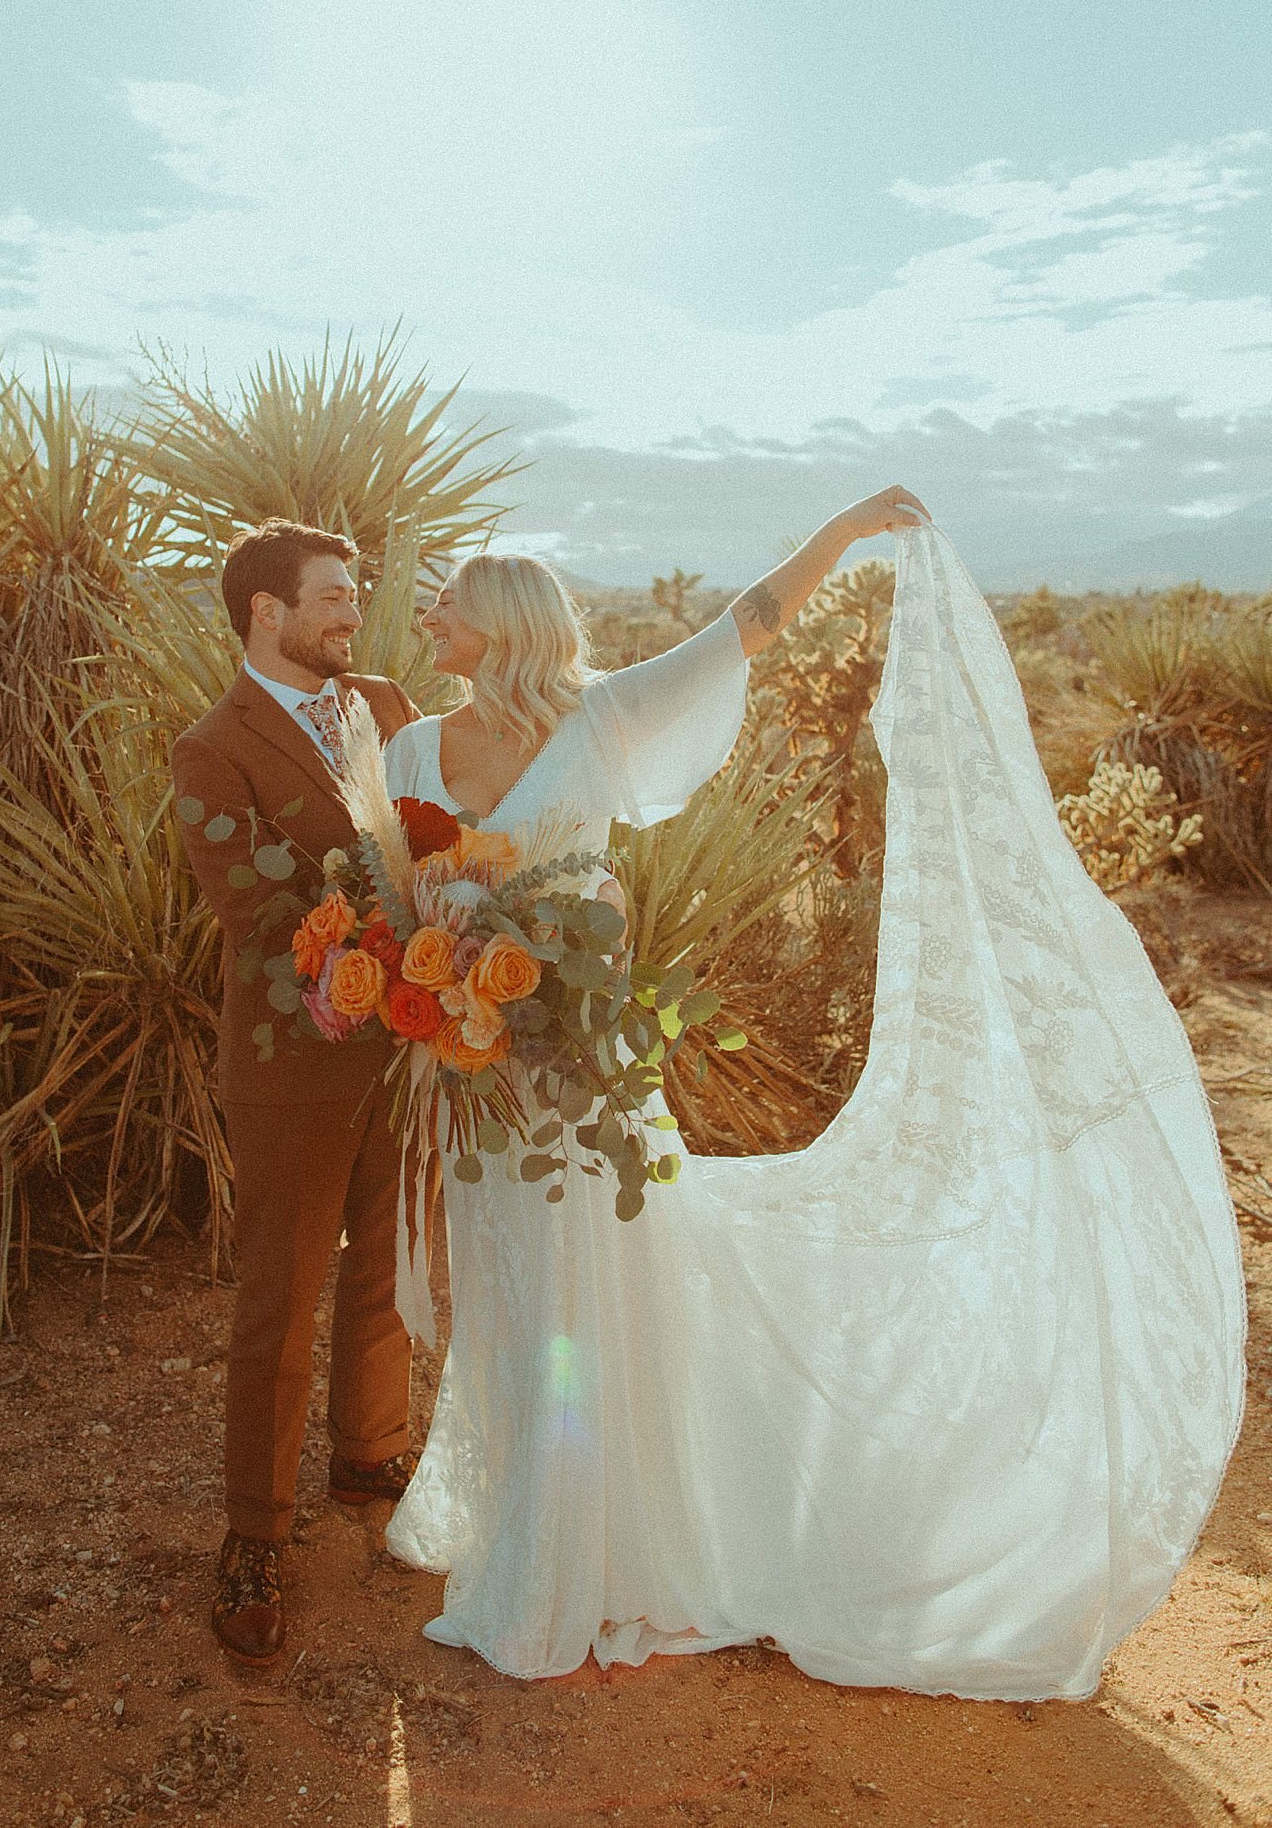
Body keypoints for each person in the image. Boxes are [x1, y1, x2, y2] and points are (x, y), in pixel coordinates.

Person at [379, 486, 1245, 1698]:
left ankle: (589, 1547)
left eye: (451, 610)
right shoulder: (412, 749)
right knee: (513, 1291)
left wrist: (844, 531)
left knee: (588, 1282)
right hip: (475, 1076)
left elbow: (748, 623)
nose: (430, 623)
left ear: (506, 627)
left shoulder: (605, 720)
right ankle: (529, 1513)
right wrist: (420, 978)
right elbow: (395, 896)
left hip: (580, 1070)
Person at [171, 517, 425, 1663]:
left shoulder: (386, 704)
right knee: (280, 1293)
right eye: (331, 596)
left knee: (385, 1264)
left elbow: (435, 842)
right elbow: (257, 913)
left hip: (413, 1044)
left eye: (354, 594)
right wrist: (394, 957)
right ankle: (257, 1535)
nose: (349, 612)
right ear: (266, 611)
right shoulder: (209, 749)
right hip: (292, 1059)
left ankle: (371, 1455)